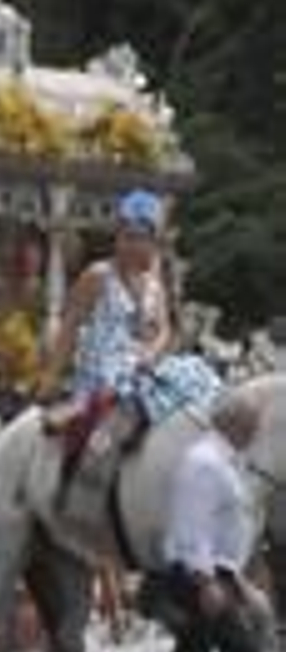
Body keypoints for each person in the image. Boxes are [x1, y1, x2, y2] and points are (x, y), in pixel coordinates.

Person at [41, 188, 220, 470]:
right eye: (128, 237)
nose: (134, 246)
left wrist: (151, 352)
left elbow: (163, 331)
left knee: (196, 374)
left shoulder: (154, 286)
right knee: (124, 388)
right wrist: (51, 377)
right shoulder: (98, 276)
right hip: (104, 363)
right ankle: (88, 441)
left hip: (140, 362)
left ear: (154, 243)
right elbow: (69, 326)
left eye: (143, 239)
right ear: (118, 239)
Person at [140, 393, 270, 652]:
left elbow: (227, 526)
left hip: (217, 574)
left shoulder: (225, 461)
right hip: (195, 576)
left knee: (220, 651)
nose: (257, 431)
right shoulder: (204, 462)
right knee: (226, 651)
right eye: (254, 424)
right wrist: (205, 581)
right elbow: (190, 526)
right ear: (236, 425)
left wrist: (237, 578)